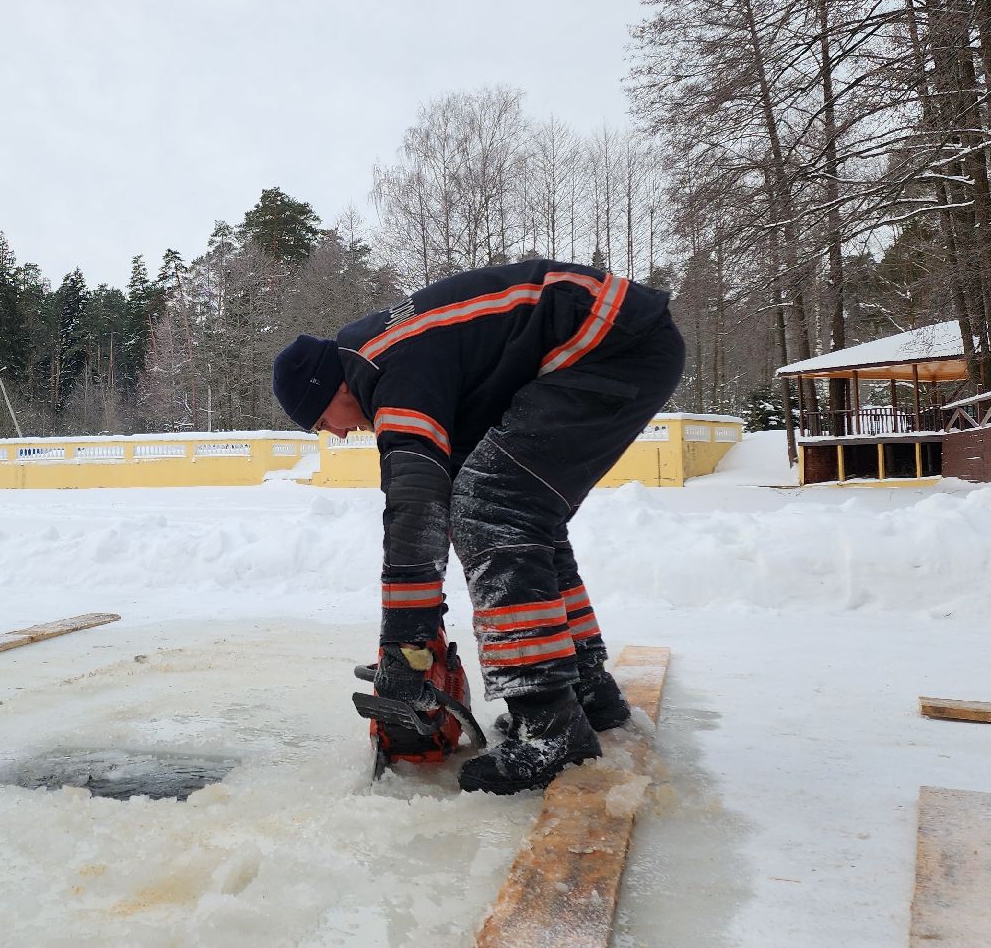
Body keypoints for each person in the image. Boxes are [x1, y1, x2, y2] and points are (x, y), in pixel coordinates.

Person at [271, 259, 685, 794]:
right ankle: (586, 691)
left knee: (492, 509)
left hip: (609, 342)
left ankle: (550, 729)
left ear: (331, 389)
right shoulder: (400, 359)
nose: (338, 434)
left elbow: (415, 507)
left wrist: (404, 643)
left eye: (323, 422)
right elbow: (440, 495)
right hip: (614, 340)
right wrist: (419, 630)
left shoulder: (387, 369)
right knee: (519, 518)